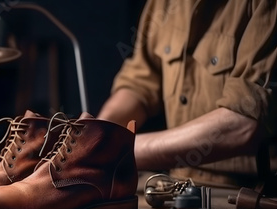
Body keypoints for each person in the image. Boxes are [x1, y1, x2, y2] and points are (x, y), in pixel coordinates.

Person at [97, 0, 277, 187]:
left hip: (251, 193)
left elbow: (245, 124)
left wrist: (120, 151)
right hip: (178, 183)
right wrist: (94, 136)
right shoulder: (163, 4)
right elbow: (140, 82)